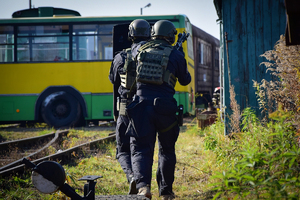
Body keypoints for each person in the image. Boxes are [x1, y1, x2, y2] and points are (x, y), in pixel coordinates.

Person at [126, 20, 191, 200]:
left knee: (141, 149)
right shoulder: (176, 55)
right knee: (167, 150)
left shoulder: (139, 50)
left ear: (152, 33)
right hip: (164, 109)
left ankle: (143, 188)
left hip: (140, 107)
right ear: (171, 36)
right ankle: (166, 192)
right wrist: (180, 55)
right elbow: (185, 80)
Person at [108, 19, 151, 195]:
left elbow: (113, 81)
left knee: (122, 149)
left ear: (130, 35)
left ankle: (132, 177)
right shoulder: (152, 54)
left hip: (125, 107)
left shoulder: (120, 56)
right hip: (145, 108)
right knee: (142, 148)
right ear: (149, 34)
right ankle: (143, 185)